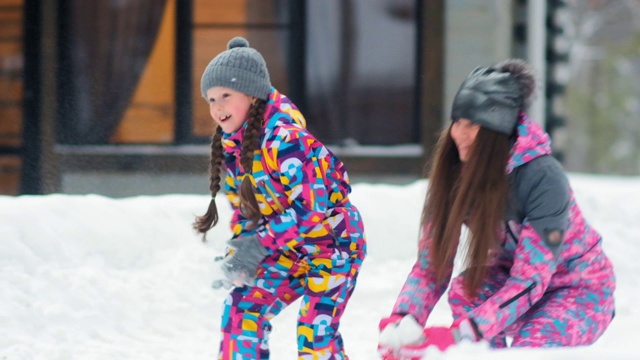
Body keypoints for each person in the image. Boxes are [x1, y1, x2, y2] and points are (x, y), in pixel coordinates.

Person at [377, 59, 616, 358]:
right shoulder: (456, 173)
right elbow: (431, 266)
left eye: (473, 125)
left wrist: (459, 335)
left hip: (576, 288)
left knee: (532, 346)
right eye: (458, 122)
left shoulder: (542, 178)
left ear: (498, 129)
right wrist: (403, 322)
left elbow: (530, 280)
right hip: (509, 282)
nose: (460, 134)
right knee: (468, 290)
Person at [194, 37, 367, 360]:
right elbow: (247, 213)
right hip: (285, 249)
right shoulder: (232, 152)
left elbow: (312, 207)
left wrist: (260, 243)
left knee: (315, 333)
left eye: (226, 96)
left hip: (334, 245)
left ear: (251, 94)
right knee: (241, 310)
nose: (217, 107)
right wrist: (242, 253)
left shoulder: (287, 141)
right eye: (211, 98)